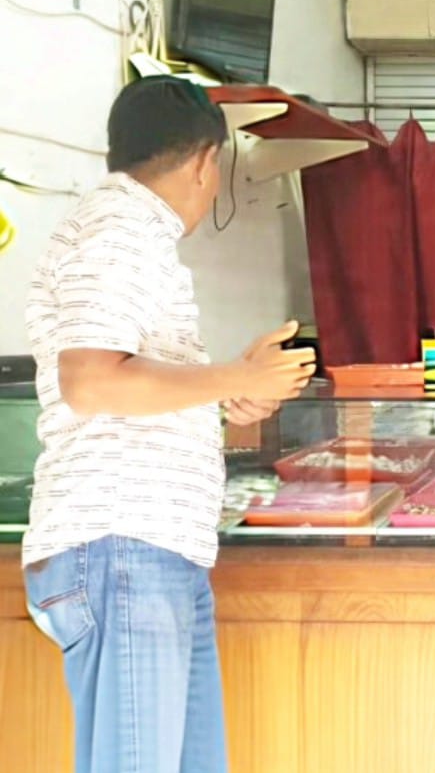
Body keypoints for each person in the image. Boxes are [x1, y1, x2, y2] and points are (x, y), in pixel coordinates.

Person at [22, 75, 316, 773]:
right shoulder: (117, 231)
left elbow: (130, 384)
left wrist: (230, 394)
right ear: (206, 162)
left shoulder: (134, 235)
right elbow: (92, 382)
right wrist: (235, 378)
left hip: (156, 551)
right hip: (121, 545)